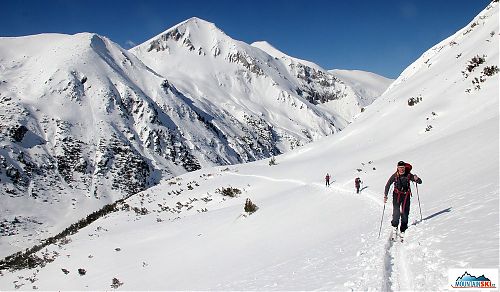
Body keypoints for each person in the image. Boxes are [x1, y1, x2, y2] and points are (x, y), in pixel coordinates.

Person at [384, 161, 422, 239]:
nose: (401, 169)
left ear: (405, 168)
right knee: (396, 212)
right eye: (400, 168)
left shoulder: (408, 175)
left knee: (405, 213)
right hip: (396, 195)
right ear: (397, 168)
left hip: (406, 195)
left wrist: (416, 179)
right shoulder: (395, 176)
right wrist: (385, 195)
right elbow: (388, 184)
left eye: (403, 168)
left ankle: (403, 229)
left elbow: (420, 182)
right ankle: (395, 228)